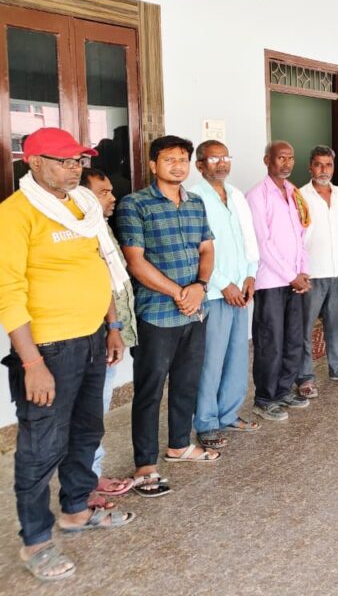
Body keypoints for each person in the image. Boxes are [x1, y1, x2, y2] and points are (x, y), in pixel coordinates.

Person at [1, 128, 133, 582]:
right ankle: (36, 541)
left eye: (79, 160)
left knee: (86, 431)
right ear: (34, 162)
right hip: (49, 349)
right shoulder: (15, 214)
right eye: (64, 161)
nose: (75, 168)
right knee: (41, 447)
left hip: (93, 337)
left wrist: (112, 327)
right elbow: (8, 293)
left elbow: (101, 267)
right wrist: (32, 363)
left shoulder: (83, 207)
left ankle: (76, 510)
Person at [116, 135, 219, 498]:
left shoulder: (195, 203)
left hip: (194, 311)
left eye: (182, 159)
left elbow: (207, 249)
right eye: (169, 159)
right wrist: (180, 293)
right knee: (149, 390)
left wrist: (200, 287)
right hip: (157, 313)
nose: (178, 166)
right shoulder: (134, 205)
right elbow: (135, 262)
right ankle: (145, 464)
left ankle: (179, 445)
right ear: (153, 164)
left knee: (187, 383)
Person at [188, 140, 262, 447]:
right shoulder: (193, 197)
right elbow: (197, 249)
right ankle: (206, 422)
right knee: (211, 360)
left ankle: (229, 414)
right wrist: (223, 284)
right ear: (200, 165)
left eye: (225, 157)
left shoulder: (236, 195)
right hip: (215, 293)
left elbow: (249, 239)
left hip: (240, 290)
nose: (222, 163)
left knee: (237, 356)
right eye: (213, 158)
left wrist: (250, 275)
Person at [79, 168, 137, 505]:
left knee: (95, 412)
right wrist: (112, 330)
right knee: (90, 413)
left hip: (110, 334)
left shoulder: (101, 227)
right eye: (103, 192)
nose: (113, 198)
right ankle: (86, 484)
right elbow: (99, 286)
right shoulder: (84, 232)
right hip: (97, 337)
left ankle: (89, 477)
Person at [246, 141, 312, 421]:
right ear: (267, 160)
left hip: (295, 280)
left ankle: (284, 390)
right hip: (271, 281)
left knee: (293, 339)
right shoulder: (256, 196)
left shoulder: (294, 192)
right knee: (270, 341)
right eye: (281, 158)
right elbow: (263, 243)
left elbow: (302, 235)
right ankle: (265, 398)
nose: (286, 163)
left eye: (290, 158)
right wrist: (291, 276)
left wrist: (303, 271)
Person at [297, 146, 338, 391]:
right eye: (318, 164)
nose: (323, 169)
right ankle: (304, 377)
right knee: (304, 327)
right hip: (311, 273)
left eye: (328, 165)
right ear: (310, 167)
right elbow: (296, 236)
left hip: (337, 271)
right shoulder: (299, 196)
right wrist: (298, 270)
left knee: (337, 323)